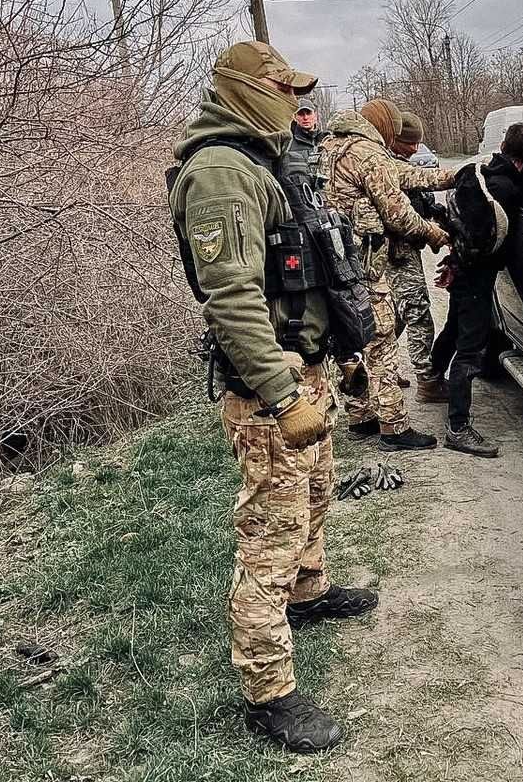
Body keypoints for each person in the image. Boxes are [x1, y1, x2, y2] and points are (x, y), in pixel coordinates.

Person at [167, 41, 381, 752]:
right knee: (270, 536)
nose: (294, 103)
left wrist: (337, 360)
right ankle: (269, 693)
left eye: (297, 91)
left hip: (305, 370)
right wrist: (284, 397)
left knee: (315, 497)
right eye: (283, 89)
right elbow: (231, 300)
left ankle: (308, 592)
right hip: (269, 388)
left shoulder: (267, 162)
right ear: (240, 89)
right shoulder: (222, 172)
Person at [319, 99, 452, 451]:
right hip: (364, 268)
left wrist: (449, 176)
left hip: (330, 267)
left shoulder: (329, 148)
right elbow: (399, 215)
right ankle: (394, 427)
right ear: (385, 128)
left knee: (349, 342)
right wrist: (434, 234)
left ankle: (360, 416)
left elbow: (403, 174)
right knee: (381, 342)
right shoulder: (368, 153)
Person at [432, 122, 523, 458]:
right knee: (470, 350)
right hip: (477, 276)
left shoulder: (483, 173)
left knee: (454, 326)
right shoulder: (508, 188)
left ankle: (432, 378)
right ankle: (458, 427)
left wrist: (454, 262)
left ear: (503, 146)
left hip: (464, 266)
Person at [387, 112, 454, 403]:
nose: (415, 149)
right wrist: (433, 233)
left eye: (418, 144)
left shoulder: (396, 162)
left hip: (401, 251)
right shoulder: (387, 167)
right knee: (417, 314)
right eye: (409, 143)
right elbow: (405, 211)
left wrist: (436, 214)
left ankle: (384, 370)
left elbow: (421, 199)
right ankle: (427, 382)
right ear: (394, 140)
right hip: (397, 253)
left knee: (394, 316)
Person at [282, 98, 325, 177]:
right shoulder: (287, 142)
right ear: (294, 117)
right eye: (301, 114)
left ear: (315, 116)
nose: (305, 118)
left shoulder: (326, 140)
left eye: (308, 113)